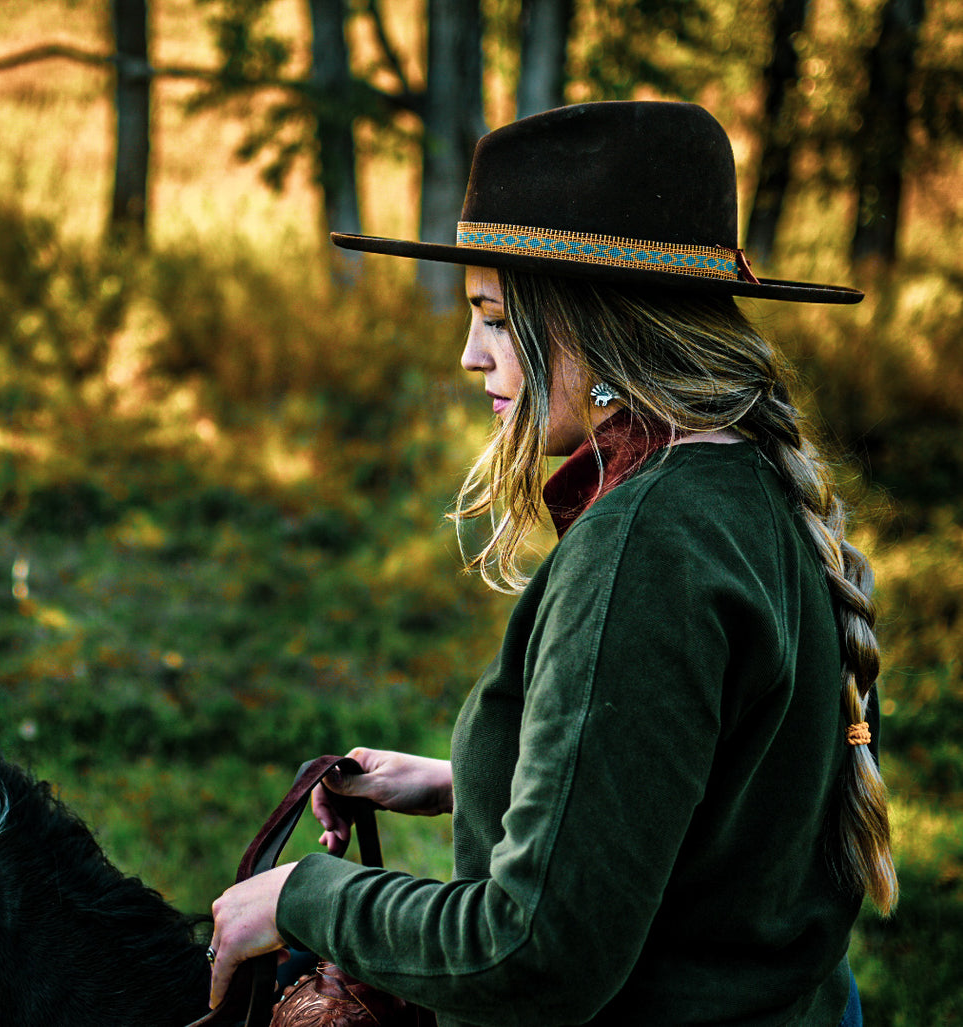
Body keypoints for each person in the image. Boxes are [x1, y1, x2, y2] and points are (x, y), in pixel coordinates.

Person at [205, 101, 893, 1026]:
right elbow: (725, 775)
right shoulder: (747, 484)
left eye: (492, 315)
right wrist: (471, 776)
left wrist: (302, 897)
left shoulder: (646, 545)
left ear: (592, 328)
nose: (468, 352)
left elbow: (535, 948)